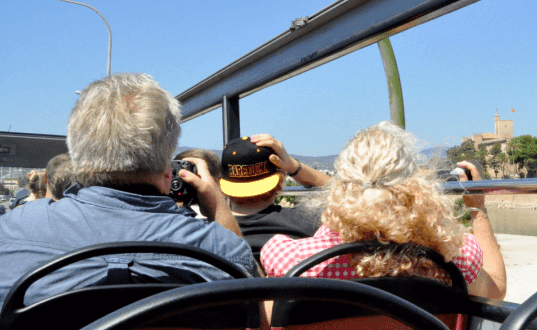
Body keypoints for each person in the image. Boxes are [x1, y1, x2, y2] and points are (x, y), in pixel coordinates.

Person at [0, 73, 255, 306]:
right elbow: (260, 315)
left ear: (76, 154)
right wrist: (219, 209)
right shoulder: (222, 250)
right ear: (168, 171)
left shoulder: (11, 232)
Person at [260, 122, 507, 301]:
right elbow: (497, 289)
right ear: (416, 186)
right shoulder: (456, 259)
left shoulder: (292, 260)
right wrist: (478, 209)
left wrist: (295, 168)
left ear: (340, 190)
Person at [219, 135, 330, 255]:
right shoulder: (307, 222)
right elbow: (341, 192)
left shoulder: (214, 235)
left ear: (222, 186)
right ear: (280, 182)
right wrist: (293, 166)